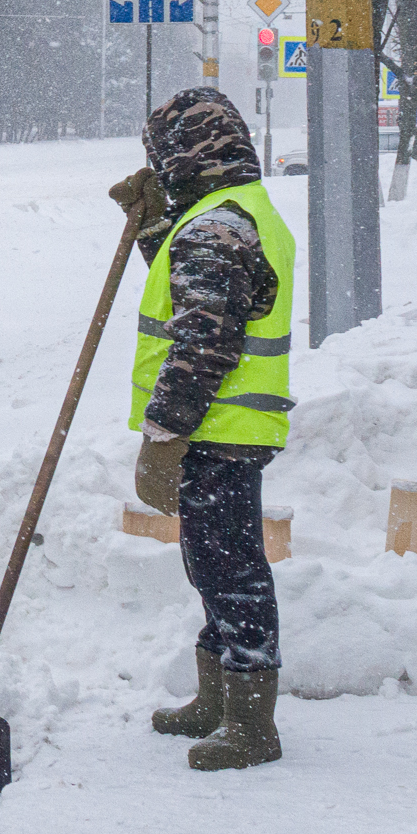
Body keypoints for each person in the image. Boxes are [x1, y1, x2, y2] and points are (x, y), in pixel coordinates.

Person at [107, 89, 295, 771]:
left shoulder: (215, 229)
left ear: (183, 155)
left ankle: (250, 723)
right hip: (223, 427)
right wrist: (155, 228)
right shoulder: (228, 218)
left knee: (231, 569)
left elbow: (201, 344)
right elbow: (200, 290)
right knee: (211, 565)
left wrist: (162, 436)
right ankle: (218, 699)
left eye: (160, 158)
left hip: (215, 429)